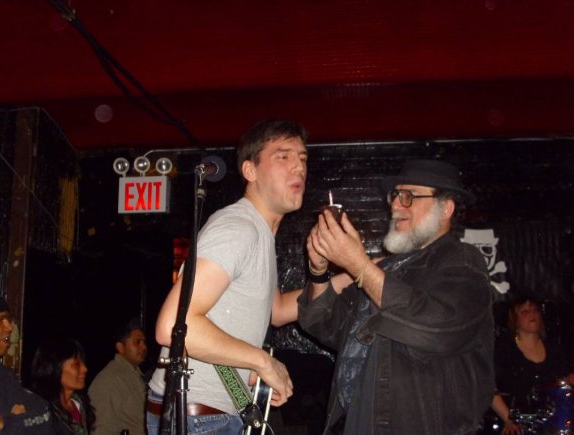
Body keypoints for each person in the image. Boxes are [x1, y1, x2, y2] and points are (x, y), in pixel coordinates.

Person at [298, 159, 496, 434]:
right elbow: (327, 326)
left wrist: (359, 266)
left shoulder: (461, 261)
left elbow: (436, 327)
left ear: (446, 208)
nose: (394, 205)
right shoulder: (389, 268)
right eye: (395, 196)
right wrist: (319, 273)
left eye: (408, 196)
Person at [153, 119, 308, 434]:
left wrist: (352, 273)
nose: (298, 168)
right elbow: (172, 328)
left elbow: (276, 310)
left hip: (213, 414)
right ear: (250, 171)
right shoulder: (239, 228)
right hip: (199, 418)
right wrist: (263, 362)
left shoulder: (260, 234)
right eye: (284, 156)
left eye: (303, 159)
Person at [491, 298, 574, 435]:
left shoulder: (553, 348)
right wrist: (508, 419)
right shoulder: (504, 349)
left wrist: (569, 380)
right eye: (525, 312)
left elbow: (562, 383)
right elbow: (488, 387)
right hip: (514, 424)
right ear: (515, 320)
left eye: (535, 310)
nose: (532, 315)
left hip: (549, 422)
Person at [0, 293, 52, 434]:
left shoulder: (3, 376)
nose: (9, 327)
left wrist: (5, 422)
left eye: (9, 320)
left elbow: (45, 414)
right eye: (2, 320)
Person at [88, 318, 147, 435]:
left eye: (144, 342)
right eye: (137, 342)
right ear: (120, 347)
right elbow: (101, 429)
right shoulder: (109, 379)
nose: (144, 347)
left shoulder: (136, 375)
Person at [31, 336, 95, 434]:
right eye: (76, 365)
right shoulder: (40, 410)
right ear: (55, 368)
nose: (84, 369)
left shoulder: (80, 405)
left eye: (83, 363)